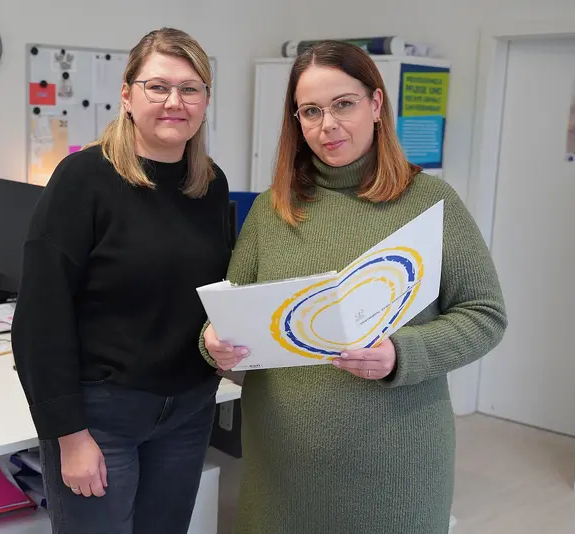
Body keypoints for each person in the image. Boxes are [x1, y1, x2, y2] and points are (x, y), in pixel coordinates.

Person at [201, 41, 508, 534]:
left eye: (344, 103)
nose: (328, 125)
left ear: (376, 104)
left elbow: (486, 315)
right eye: (311, 111)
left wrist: (401, 354)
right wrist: (212, 344)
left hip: (395, 468)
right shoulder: (272, 209)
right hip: (281, 470)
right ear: (296, 121)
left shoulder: (430, 202)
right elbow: (229, 312)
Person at [12, 27, 231, 534]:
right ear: (128, 96)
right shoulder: (83, 179)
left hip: (189, 410)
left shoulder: (210, 185)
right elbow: (41, 315)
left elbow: (213, 293)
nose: (175, 101)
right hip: (101, 417)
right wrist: (68, 434)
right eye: (158, 86)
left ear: (204, 101)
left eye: (190, 88)